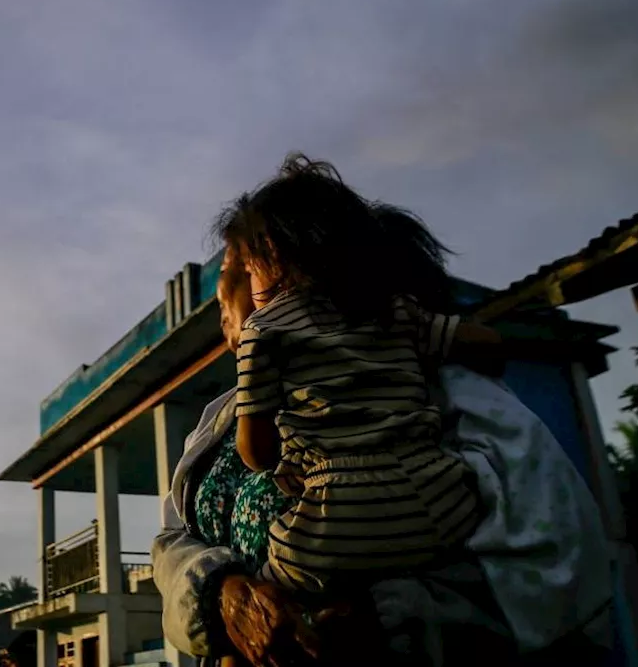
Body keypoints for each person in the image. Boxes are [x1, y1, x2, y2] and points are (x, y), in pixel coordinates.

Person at [153, 199, 614, 665]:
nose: (221, 289)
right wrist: (222, 595)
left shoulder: (444, 397)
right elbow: (172, 542)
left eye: (237, 266)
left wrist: (386, 622)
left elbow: (554, 577)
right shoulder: (222, 417)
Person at [216, 154, 544, 594]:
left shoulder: (265, 331)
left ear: (272, 256)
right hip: (441, 500)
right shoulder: (396, 312)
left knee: (272, 595)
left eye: (247, 268)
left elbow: (255, 451)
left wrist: (284, 453)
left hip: (338, 514)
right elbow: (488, 344)